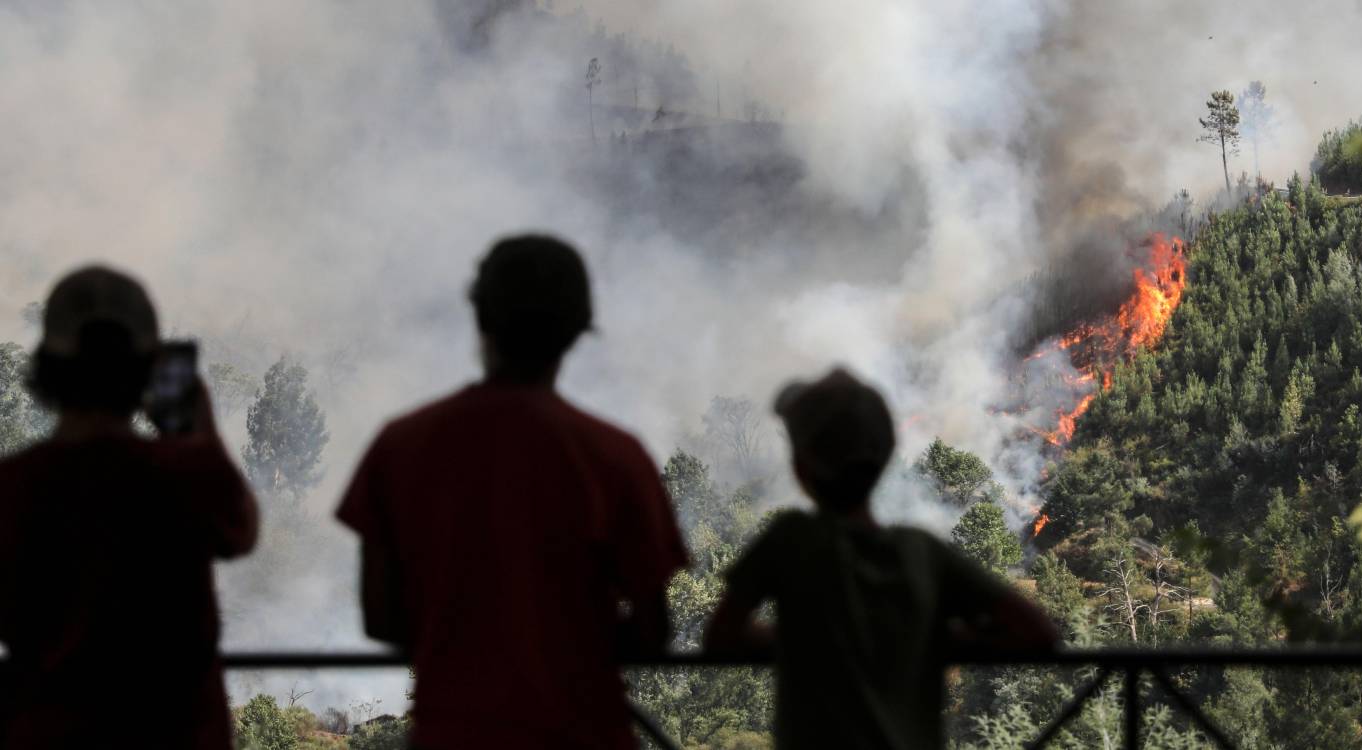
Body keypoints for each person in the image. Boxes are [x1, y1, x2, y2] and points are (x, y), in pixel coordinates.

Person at [337, 234, 687, 749]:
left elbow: (382, 618)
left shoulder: (401, 445)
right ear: (576, 331)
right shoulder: (616, 457)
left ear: (481, 319)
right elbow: (654, 629)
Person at [704, 368, 1058, 750]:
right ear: (886, 459)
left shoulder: (790, 540)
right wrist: (927, 639)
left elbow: (721, 635)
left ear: (801, 468)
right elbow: (1036, 632)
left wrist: (804, 642)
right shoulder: (922, 552)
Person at [0, 266, 258, 749]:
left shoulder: (12, 486)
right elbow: (240, 531)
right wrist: (198, 436)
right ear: (148, 371)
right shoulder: (184, 475)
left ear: (49, 370)